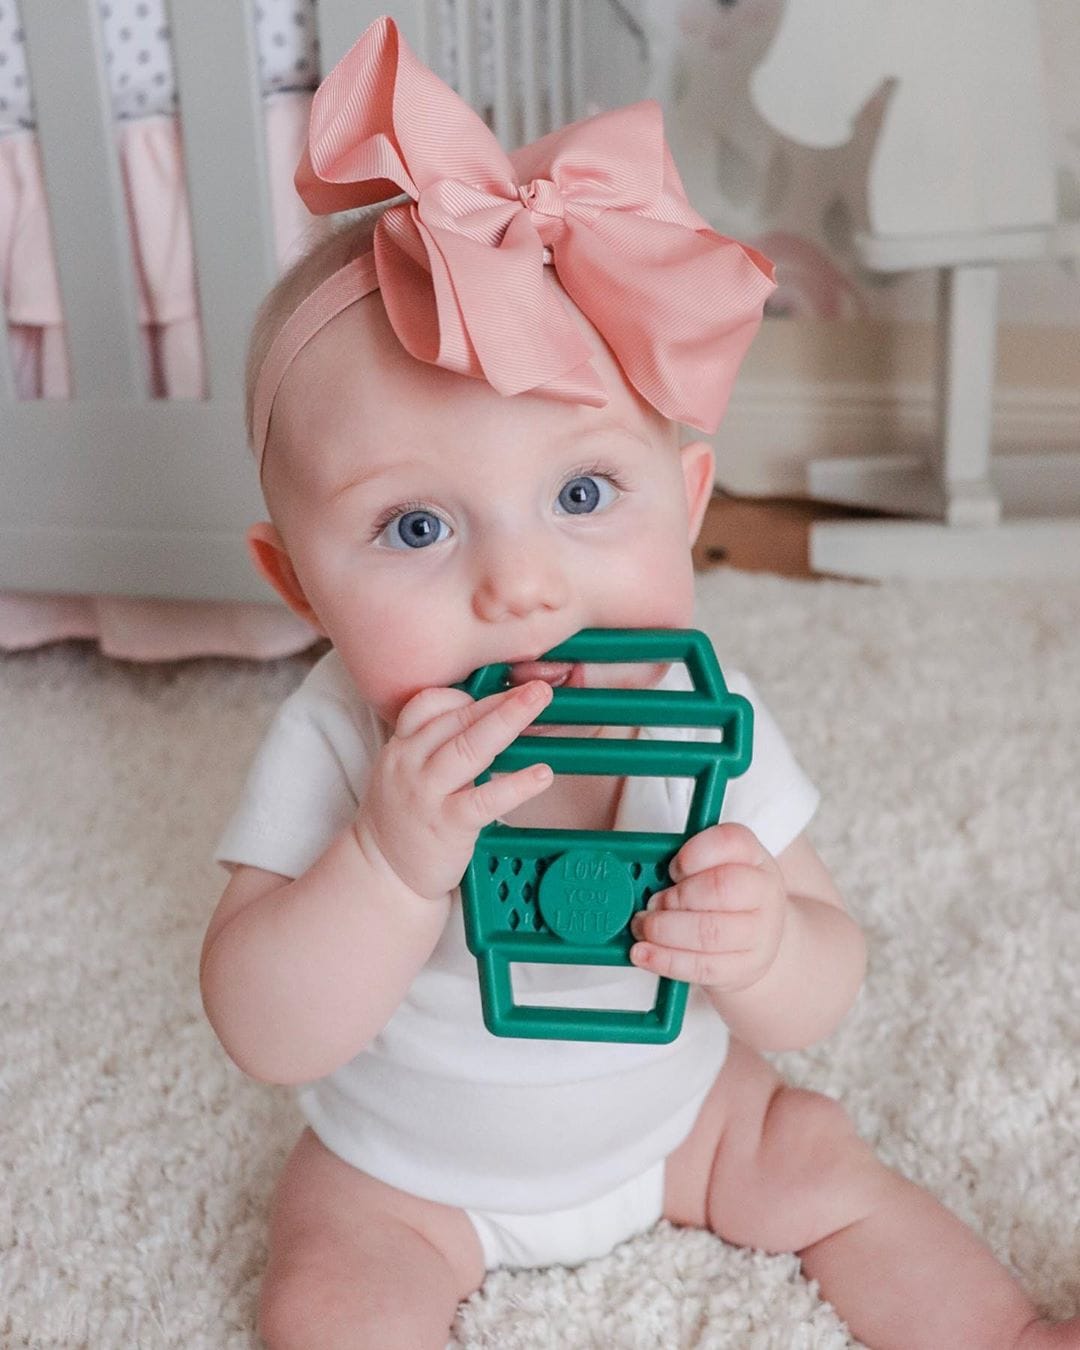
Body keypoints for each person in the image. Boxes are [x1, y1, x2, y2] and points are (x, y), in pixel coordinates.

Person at [200, 17, 1080, 1350]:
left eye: (583, 493)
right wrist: (385, 862)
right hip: (414, 1172)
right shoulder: (335, 738)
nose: (522, 586)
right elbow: (264, 1026)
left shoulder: (700, 710)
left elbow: (831, 978)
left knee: (823, 1157)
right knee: (325, 1294)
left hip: (684, 1124)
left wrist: (769, 943)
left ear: (686, 503)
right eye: (418, 529)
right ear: (300, 587)